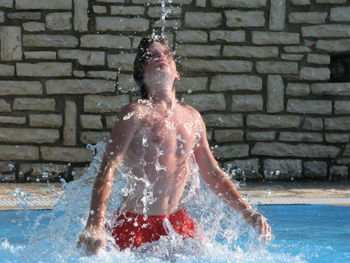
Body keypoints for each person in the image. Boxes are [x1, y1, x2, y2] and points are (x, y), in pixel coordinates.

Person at [78, 35, 271, 255]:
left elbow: (213, 174)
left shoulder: (193, 118)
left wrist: (248, 213)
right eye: (151, 55)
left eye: (166, 54)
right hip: (134, 223)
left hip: (175, 222)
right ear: (141, 74)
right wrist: (95, 223)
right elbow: (109, 167)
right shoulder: (135, 114)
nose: (161, 57)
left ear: (177, 72)